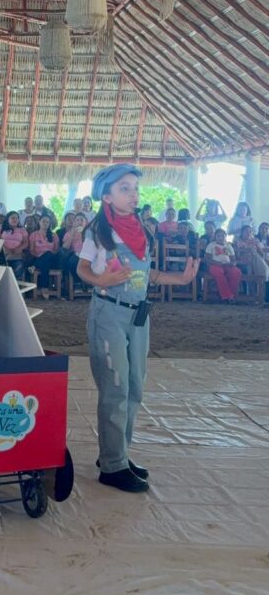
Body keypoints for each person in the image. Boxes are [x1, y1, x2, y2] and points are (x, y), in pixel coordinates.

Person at [76, 165, 198, 494]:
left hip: (139, 316)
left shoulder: (142, 230)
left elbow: (148, 274)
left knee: (134, 388)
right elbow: (82, 268)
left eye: (135, 189)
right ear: (106, 196)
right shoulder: (97, 231)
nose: (133, 195)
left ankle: (117, 453)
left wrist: (179, 279)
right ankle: (112, 467)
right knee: (115, 388)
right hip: (108, 314)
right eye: (125, 189)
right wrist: (100, 279)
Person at [205, 228, 242, 302]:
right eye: (218, 236)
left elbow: (233, 259)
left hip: (227, 265)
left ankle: (231, 295)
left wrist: (233, 263)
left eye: (222, 236)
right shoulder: (211, 245)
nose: (221, 238)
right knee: (219, 272)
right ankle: (227, 296)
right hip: (215, 265)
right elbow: (207, 259)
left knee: (236, 272)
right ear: (215, 237)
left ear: (225, 237)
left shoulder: (229, 246)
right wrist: (217, 263)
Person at [28, 215, 59, 297]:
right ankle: (44, 287)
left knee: (48, 253)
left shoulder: (53, 235)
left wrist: (45, 254)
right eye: (43, 221)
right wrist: (40, 256)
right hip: (38, 258)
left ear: (49, 224)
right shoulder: (34, 234)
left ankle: (34, 266)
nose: (45, 223)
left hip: (52, 259)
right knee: (44, 263)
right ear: (39, 222)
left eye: (47, 222)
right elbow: (31, 250)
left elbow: (56, 250)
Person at [0, 211, 28, 280]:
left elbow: (26, 242)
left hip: (17, 255)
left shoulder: (22, 230)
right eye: (12, 218)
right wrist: (6, 249)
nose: (15, 220)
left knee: (18, 269)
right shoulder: (1, 229)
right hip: (4, 255)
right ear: (8, 219)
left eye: (16, 218)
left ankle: (15, 285)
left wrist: (19, 248)